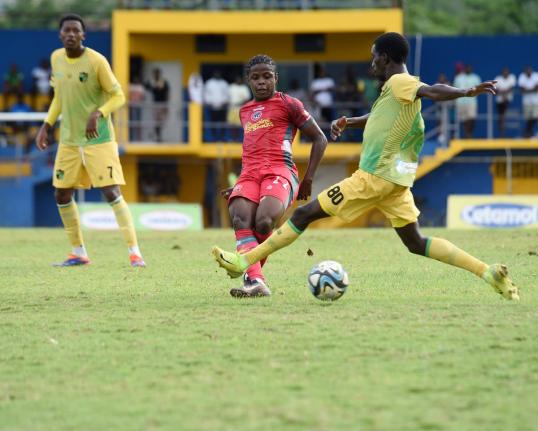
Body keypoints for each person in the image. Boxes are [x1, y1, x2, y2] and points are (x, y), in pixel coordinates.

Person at [212, 33, 519, 301]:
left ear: (385, 59)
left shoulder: (401, 82)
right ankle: (486, 271)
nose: (371, 65)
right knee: (415, 242)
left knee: (304, 215)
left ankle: (244, 263)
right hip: (397, 184)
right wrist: (353, 121)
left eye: (374, 59)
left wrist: (464, 93)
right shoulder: (391, 92)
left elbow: (429, 89)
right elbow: (382, 118)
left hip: (372, 178)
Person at [35, 14, 145, 268]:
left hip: (99, 140)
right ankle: (78, 252)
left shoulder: (97, 61)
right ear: (60, 35)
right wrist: (46, 125)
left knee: (111, 192)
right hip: (69, 141)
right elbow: (59, 98)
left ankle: (135, 252)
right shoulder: (56, 59)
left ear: (83, 35)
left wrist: (99, 113)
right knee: (61, 193)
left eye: (76, 30)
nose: (71, 34)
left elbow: (118, 96)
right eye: (67, 30)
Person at [220, 54, 327, 298]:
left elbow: (320, 138)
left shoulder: (289, 104)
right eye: (255, 78)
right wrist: (239, 184)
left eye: (267, 77)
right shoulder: (244, 111)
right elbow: (251, 147)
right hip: (249, 174)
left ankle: (250, 273)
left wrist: (308, 178)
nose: (261, 82)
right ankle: (256, 281)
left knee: (264, 221)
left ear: (276, 78)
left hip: (280, 170)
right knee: (239, 217)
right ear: (248, 81)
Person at [453, 64, 481, 138]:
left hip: (472, 102)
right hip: (460, 102)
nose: (468, 69)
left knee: (471, 118)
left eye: (470, 68)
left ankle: (469, 133)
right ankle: (467, 133)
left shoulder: (476, 77)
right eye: (467, 68)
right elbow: (454, 89)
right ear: (465, 69)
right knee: (464, 119)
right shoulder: (458, 77)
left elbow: (479, 89)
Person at [203, 70, 229, 141]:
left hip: (222, 107)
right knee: (212, 123)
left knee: (223, 123)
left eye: (218, 73)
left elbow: (227, 94)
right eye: (215, 73)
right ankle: (214, 138)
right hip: (212, 107)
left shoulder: (224, 83)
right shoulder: (209, 83)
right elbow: (206, 94)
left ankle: (222, 137)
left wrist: (225, 102)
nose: (217, 75)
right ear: (213, 74)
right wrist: (208, 102)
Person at [146, 68, 169, 142]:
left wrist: (166, 104)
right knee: (156, 121)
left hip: (162, 104)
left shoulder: (163, 82)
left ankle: (158, 136)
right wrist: (151, 81)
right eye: (154, 74)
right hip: (155, 105)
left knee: (161, 121)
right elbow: (146, 86)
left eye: (156, 74)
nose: (155, 75)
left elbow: (166, 92)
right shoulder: (152, 82)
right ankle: (158, 137)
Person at [227, 75, 251, 141]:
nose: (238, 81)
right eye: (237, 79)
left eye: (240, 79)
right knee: (232, 125)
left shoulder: (244, 88)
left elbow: (247, 99)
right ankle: (232, 139)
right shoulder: (231, 87)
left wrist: (240, 103)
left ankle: (240, 139)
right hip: (232, 108)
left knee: (240, 125)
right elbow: (227, 98)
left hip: (241, 109)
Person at [494, 67, 516, 137]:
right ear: (502, 72)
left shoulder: (512, 77)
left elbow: (511, 88)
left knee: (504, 117)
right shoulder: (498, 78)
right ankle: (502, 134)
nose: (505, 73)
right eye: (504, 71)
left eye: (506, 71)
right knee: (501, 117)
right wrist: (503, 94)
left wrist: (503, 94)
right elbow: (495, 90)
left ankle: (503, 133)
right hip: (500, 101)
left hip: (508, 101)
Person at [518, 66, 538, 138]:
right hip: (526, 102)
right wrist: (532, 89)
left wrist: (527, 90)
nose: (528, 72)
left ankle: (528, 131)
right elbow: (522, 89)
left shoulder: (536, 76)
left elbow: (536, 88)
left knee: (535, 116)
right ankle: (529, 132)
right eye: (527, 71)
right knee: (528, 118)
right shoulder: (522, 76)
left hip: (536, 101)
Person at [128, 76, 145, 141]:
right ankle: (136, 138)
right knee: (136, 123)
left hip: (134, 106)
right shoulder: (140, 87)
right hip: (135, 106)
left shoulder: (130, 87)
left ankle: (135, 138)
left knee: (135, 123)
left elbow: (128, 96)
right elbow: (143, 98)